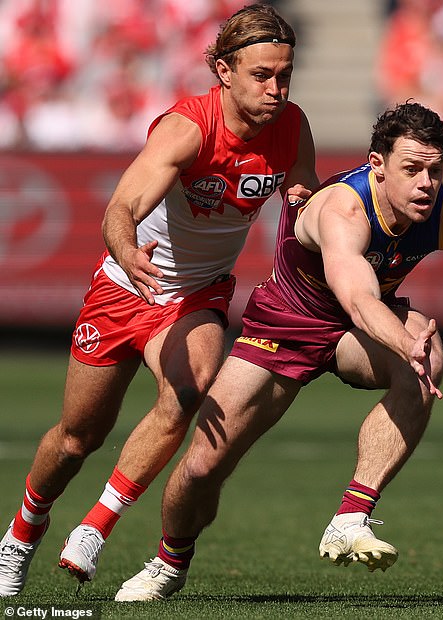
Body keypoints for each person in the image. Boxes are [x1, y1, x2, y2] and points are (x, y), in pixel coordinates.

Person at [114, 101, 443, 601]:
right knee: (204, 466)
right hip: (288, 325)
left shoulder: (442, 207)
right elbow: (358, 298)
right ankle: (169, 561)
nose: (426, 183)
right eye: (412, 169)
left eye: (435, 169)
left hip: (354, 334)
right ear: (377, 166)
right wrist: (403, 341)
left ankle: (351, 516)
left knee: (428, 358)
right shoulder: (344, 209)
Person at [0, 3, 319, 597]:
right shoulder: (186, 129)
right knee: (77, 438)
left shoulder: (293, 126)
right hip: (127, 287)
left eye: (284, 76)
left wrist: (315, 211)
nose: (276, 89)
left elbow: (302, 200)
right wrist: (127, 254)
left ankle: (96, 527)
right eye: (261, 76)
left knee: (190, 389)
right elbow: (118, 211)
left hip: (199, 292)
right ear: (223, 71)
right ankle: (22, 533)